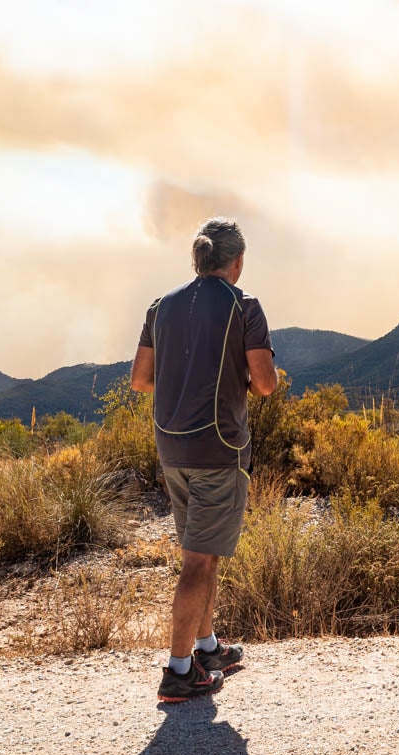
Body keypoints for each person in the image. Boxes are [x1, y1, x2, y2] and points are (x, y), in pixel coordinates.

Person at [130, 217, 279, 701]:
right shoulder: (244, 306)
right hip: (220, 449)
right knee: (199, 562)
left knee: (203, 552)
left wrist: (183, 381)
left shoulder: (161, 307)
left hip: (171, 446)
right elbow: (265, 384)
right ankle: (178, 671)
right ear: (236, 262)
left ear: (199, 259)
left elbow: (140, 379)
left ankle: (208, 648)